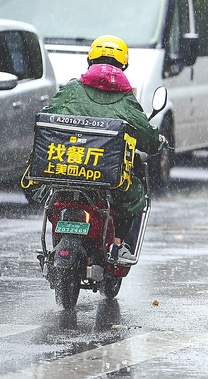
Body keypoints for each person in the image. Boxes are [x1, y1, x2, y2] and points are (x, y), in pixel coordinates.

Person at [41, 34, 163, 263]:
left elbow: (48, 117)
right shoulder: (126, 98)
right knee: (137, 196)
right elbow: (147, 138)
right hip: (107, 179)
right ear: (123, 65)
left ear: (90, 61)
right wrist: (159, 143)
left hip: (67, 170)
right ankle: (119, 244)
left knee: (50, 196)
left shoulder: (72, 89)